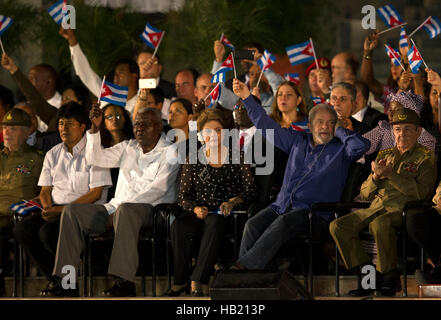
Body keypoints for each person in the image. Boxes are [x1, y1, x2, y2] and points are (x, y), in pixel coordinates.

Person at [230, 78, 370, 271]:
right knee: (252, 224)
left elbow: (362, 146)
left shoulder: (342, 150)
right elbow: (265, 125)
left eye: (330, 123)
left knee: (283, 222)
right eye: (320, 122)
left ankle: (243, 268)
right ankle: (250, 276)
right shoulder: (296, 141)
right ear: (310, 125)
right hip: (282, 205)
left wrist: (339, 130)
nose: (325, 127)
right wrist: (246, 97)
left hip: (314, 213)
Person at [47, 107, 180, 297]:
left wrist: (118, 210)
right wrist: (94, 130)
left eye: (146, 124)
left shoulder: (170, 152)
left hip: (150, 210)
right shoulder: (128, 147)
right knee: (71, 212)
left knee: (126, 210)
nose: (140, 128)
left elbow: (158, 191)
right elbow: (96, 158)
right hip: (115, 209)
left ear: (159, 127)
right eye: (137, 124)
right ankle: (67, 282)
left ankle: (124, 282)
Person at [330, 108, 436, 297]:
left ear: (418, 132)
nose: (401, 134)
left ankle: (389, 277)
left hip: (402, 209)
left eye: (407, 129)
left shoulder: (426, 158)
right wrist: (376, 177)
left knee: (380, 224)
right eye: (397, 129)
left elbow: (421, 193)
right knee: (339, 226)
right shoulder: (385, 154)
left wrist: (391, 175)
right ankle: (368, 276)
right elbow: (365, 193)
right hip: (376, 207)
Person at [14, 102, 112, 297]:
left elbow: (96, 193)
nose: (63, 129)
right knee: (23, 229)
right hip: (55, 209)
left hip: (84, 212)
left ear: (83, 126)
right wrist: (48, 207)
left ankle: (66, 283)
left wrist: (61, 211)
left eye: (69, 124)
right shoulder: (53, 153)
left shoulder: (95, 151)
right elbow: (45, 189)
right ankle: (59, 281)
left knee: (48, 233)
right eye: (60, 124)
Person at [166, 108, 256, 296]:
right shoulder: (193, 159)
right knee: (178, 227)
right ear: (201, 135)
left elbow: (249, 190)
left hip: (224, 213)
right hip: (198, 211)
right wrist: (195, 208)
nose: (214, 135)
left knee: (215, 223)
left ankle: (198, 280)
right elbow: (182, 196)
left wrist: (232, 202)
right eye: (208, 131)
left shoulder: (237, 156)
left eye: (218, 130)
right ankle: (180, 281)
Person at [0, 108, 44, 296]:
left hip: (21, 215)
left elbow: (46, 192)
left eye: (13, 128)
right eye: (5, 128)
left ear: (27, 132)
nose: (7, 132)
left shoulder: (38, 158)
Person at [58, 27, 140, 117]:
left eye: (121, 72)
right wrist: (73, 42)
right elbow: (87, 75)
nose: (116, 77)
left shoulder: (142, 99)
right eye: (115, 73)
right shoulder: (108, 95)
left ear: (134, 75)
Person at [363, 90, 436, 156]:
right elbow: (361, 145)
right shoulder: (385, 129)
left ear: (410, 112)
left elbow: (420, 165)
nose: (391, 114)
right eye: (390, 110)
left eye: (396, 110)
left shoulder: (426, 139)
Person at [1, 53, 59, 133]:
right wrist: (13, 69)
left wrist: (14, 70)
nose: (27, 120)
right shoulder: (28, 104)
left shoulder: (62, 109)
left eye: (32, 79)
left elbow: (34, 98)